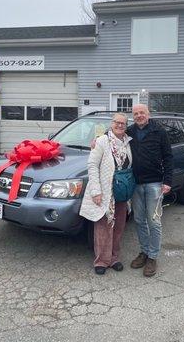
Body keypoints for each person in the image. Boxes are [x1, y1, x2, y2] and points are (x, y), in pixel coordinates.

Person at [80, 112, 133, 275]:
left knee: (118, 226)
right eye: (117, 122)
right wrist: (96, 191)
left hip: (122, 192)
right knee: (103, 226)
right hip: (105, 191)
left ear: (126, 126)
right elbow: (92, 165)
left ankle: (114, 258)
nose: (119, 125)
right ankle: (101, 261)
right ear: (111, 124)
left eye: (123, 123)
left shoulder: (128, 142)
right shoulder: (102, 141)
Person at [127, 104, 173, 277]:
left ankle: (153, 257)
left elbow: (168, 156)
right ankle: (144, 252)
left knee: (153, 221)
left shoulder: (159, 131)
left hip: (154, 183)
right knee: (139, 220)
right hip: (136, 184)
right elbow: (112, 137)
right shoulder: (129, 132)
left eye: (142, 113)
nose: (139, 115)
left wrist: (167, 181)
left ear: (148, 114)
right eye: (136, 113)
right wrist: (96, 140)